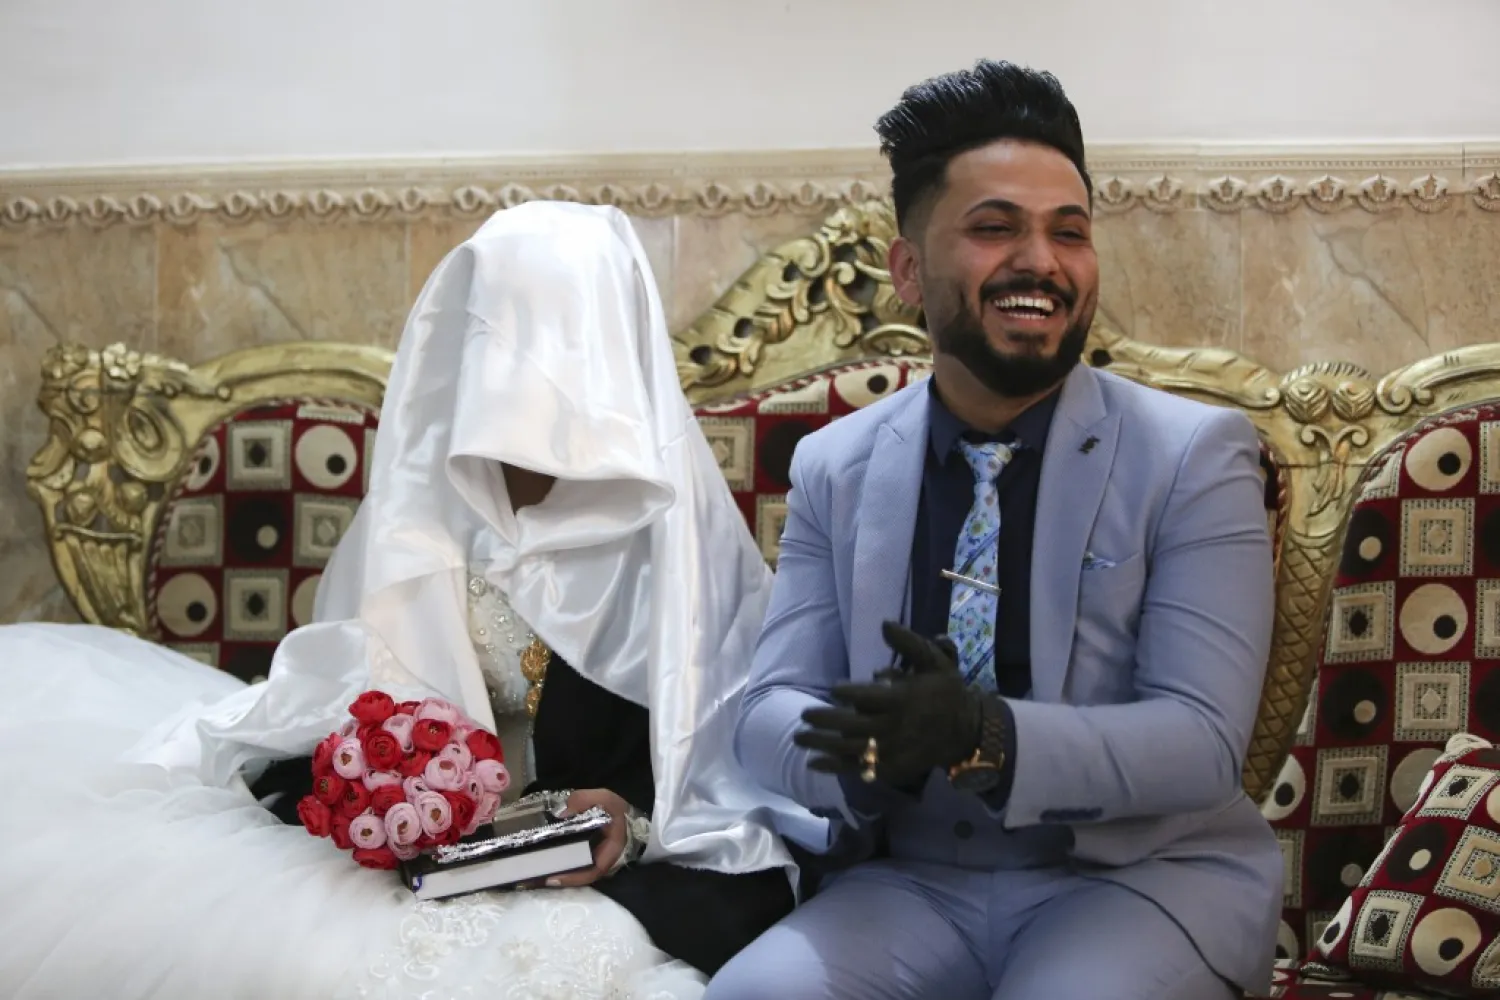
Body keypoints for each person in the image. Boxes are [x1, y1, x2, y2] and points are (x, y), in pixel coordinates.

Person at [0, 201, 808, 1000]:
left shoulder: (680, 542)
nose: (531, 363)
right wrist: (397, 802)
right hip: (427, 871)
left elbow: (729, 789)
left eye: (558, 328)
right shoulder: (423, 516)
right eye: (505, 325)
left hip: (603, 881)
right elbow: (334, 721)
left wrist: (624, 826)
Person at [705, 60, 1281, 1000]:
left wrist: (990, 735)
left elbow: (1203, 739)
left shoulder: (1194, 452)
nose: (1042, 262)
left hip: (1135, 881)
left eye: (1070, 232)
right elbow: (765, 715)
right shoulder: (835, 466)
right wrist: (864, 752)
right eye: (993, 227)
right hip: (908, 880)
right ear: (907, 271)